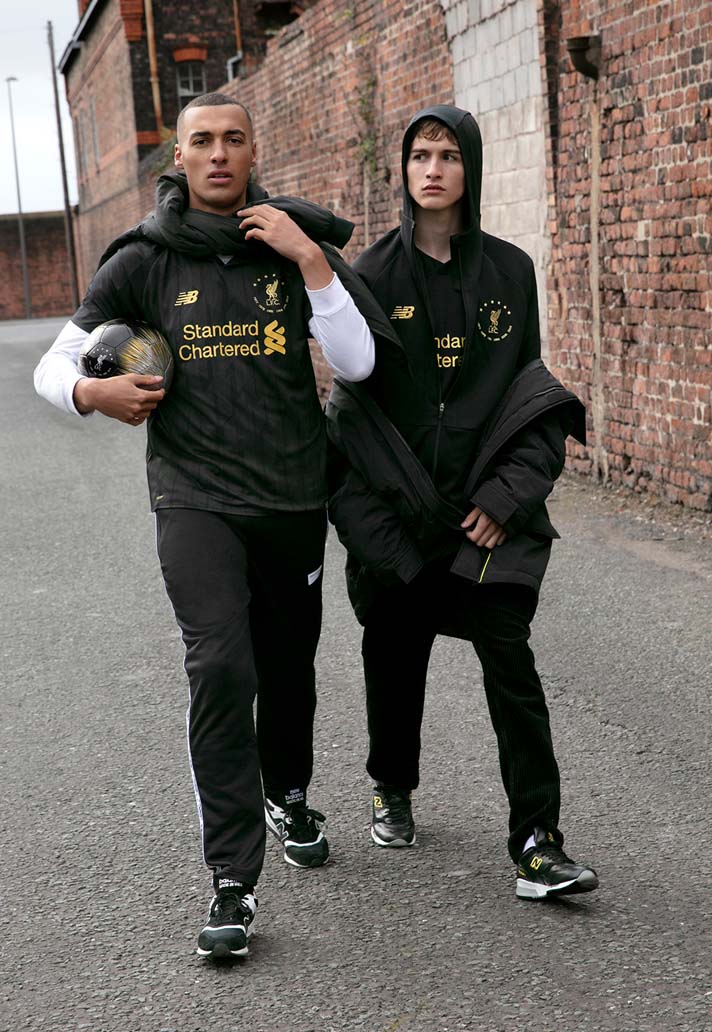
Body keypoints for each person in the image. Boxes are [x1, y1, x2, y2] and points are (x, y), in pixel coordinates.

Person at [34, 92, 394, 958]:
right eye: (204, 141)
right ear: (182, 158)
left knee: (288, 670)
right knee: (222, 669)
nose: (220, 153)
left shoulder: (289, 245)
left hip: (291, 497)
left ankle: (287, 793)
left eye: (235, 139)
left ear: (253, 152)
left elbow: (359, 362)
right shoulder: (144, 259)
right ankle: (232, 879)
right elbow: (53, 363)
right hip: (193, 498)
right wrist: (92, 391)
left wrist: (309, 259)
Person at [326, 104, 599, 901]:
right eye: (420, 155)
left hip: (487, 522)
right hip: (401, 521)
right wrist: (380, 535)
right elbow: (350, 424)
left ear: (469, 169)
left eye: (448, 155)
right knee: (393, 652)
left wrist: (507, 499)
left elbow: (533, 401)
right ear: (404, 170)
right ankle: (392, 784)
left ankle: (538, 842)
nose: (434, 169)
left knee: (512, 664)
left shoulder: (510, 272)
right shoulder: (372, 275)